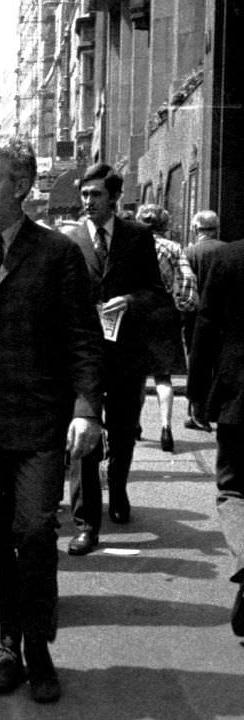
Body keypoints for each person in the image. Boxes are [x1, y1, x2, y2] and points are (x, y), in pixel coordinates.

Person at [0, 135, 104, 703]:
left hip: (37, 422)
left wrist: (87, 410)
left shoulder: (57, 254)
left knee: (33, 532)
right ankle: (8, 643)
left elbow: (84, 339)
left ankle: (38, 645)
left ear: (22, 187)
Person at [61, 164, 163, 553]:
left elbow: (156, 291)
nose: (88, 202)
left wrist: (132, 301)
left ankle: (117, 489)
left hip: (125, 354)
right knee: (83, 433)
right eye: (84, 195)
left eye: (96, 195)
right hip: (84, 354)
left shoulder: (137, 237)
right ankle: (86, 522)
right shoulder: (69, 240)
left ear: (114, 198)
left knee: (122, 430)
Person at [187, 238, 244, 637]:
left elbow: (206, 324)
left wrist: (196, 392)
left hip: (238, 394)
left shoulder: (229, 257)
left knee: (235, 490)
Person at [134, 204, 198, 452]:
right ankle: (165, 428)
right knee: (164, 375)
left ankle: (136, 425)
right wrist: (183, 305)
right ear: (164, 224)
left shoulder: (133, 247)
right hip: (164, 312)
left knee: (137, 375)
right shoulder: (172, 248)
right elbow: (187, 279)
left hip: (138, 312)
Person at [184, 209, 226, 431]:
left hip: (196, 317)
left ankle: (198, 413)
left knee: (197, 364)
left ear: (194, 229)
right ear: (216, 228)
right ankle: (218, 409)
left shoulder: (189, 253)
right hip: (225, 318)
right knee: (220, 363)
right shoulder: (227, 250)